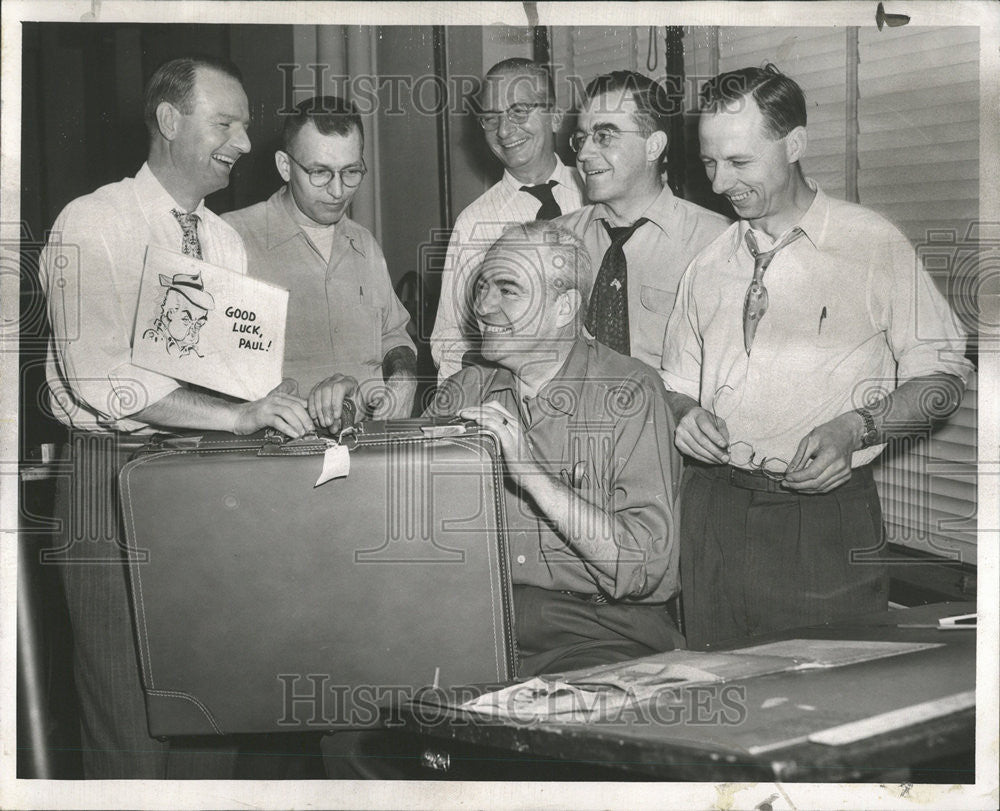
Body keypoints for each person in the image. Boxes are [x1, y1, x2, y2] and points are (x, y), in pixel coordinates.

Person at [39, 55, 315, 779]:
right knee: (128, 718)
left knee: (211, 701)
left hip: (204, 479)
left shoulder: (222, 240)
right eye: (226, 123)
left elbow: (234, 378)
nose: (245, 143)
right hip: (109, 480)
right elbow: (103, 381)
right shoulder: (91, 223)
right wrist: (241, 417)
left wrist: (282, 396)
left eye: (246, 127)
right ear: (169, 120)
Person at [660, 64, 973, 648]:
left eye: (740, 162)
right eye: (709, 162)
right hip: (711, 513)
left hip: (822, 518)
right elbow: (672, 384)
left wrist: (857, 428)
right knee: (718, 692)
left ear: (795, 144)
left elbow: (944, 377)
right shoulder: (707, 265)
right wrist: (682, 414)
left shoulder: (871, 244)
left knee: (825, 698)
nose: (721, 183)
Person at [426, 221, 685, 676]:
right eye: (482, 287)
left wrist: (531, 477)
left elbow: (645, 567)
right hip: (474, 620)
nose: (483, 307)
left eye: (508, 291)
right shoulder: (462, 393)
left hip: (597, 630)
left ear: (564, 306)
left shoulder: (629, 393)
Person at [224, 96, 416, 429]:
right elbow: (208, 374)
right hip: (276, 457)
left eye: (351, 172)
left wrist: (403, 376)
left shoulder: (365, 245)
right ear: (285, 166)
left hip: (367, 446)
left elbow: (393, 335)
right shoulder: (230, 239)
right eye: (320, 173)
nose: (338, 191)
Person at [555, 70, 730, 369]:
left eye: (604, 136)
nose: (583, 154)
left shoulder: (717, 242)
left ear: (653, 146)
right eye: (581, 139)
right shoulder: (556, 240)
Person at [430, 58, 585, 382]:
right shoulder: (474, 223)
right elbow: (450, 343)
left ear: (555, 116)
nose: (503, 131)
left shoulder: (595, 192)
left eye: (518, 111)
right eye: (490, 118)